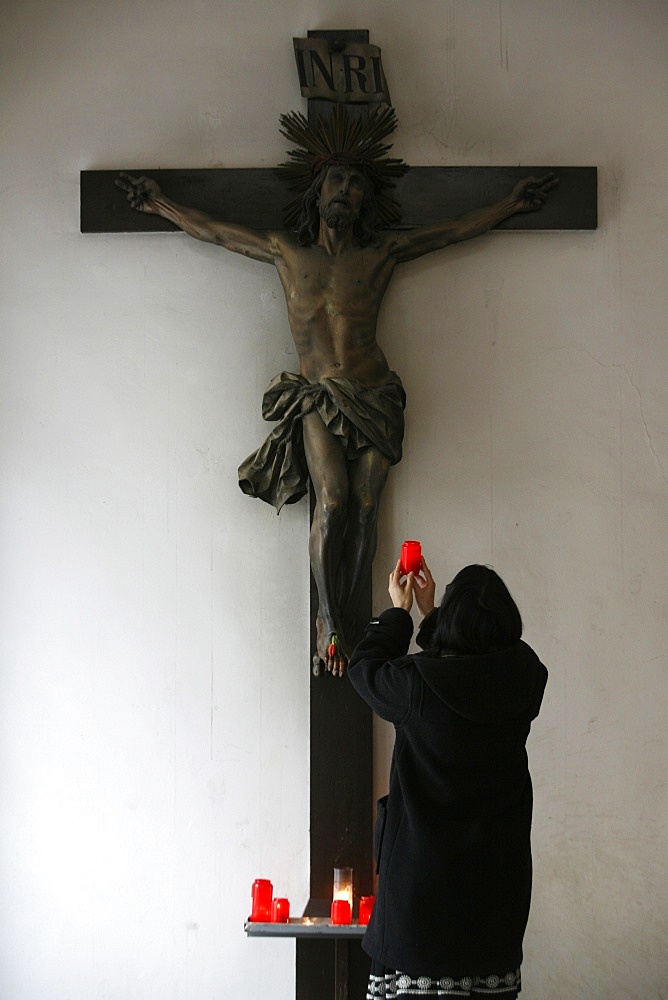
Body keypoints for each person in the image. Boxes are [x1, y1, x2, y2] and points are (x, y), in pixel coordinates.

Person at [116, 121, 556, 676]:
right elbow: (217, 233)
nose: (346, 190)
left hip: (374, 395)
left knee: (367, 507)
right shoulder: (284, 252)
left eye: (355, 184)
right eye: (336, 181)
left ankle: (349, 615)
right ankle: (328, 618)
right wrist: (160, 206)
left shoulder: (381, 254)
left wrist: (509, 207)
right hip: (319, 396)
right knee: (334, 500)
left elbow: (450, 232)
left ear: (365, 199)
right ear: (317, 192)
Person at [347, 557, 548, 999]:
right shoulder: (527, 678)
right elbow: (480, 665)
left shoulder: (417, 686)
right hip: (495, 907)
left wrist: (400, 614)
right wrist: (436, 615)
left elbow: (364, 669)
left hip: (421, 914)